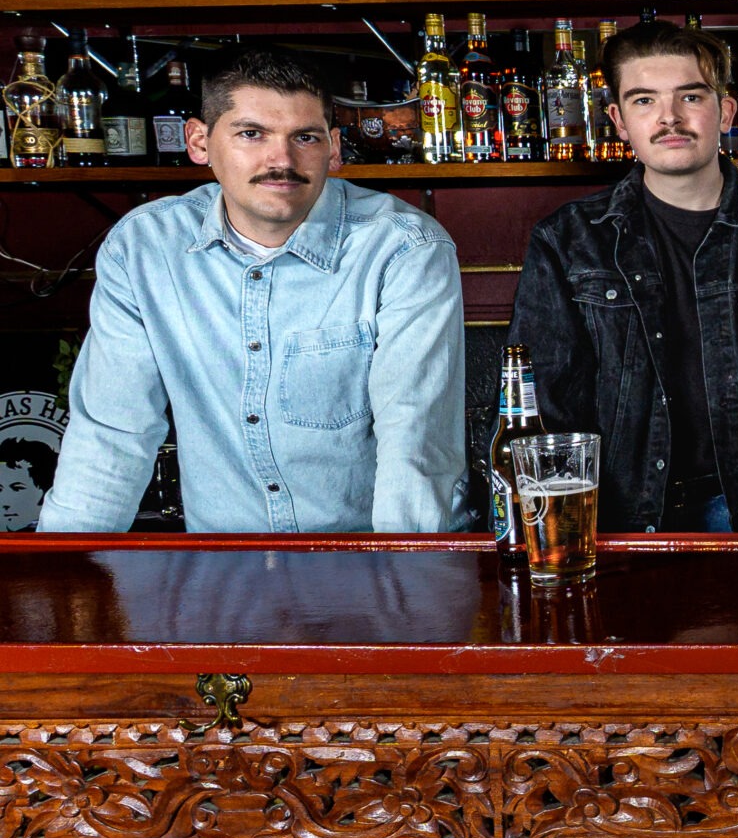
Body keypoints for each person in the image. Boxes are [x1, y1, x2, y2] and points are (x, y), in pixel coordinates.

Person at [36, 45, 465, 533]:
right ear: (199, 142)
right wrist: (66, 589)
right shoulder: (144, 248)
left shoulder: (404, 248)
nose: (281, 159)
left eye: (305, 136)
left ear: (335, 148)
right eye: (251, 134)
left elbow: (415, 442)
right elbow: (111, 437)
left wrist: (403, 596)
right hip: (223, 573)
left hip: (364, 563)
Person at [508, 22, 738, 533]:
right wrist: (542, 531)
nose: (669, 119)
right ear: (618, 120)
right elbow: (543, 408)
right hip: (616, 518)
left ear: (725, 112)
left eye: (691, 97)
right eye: (644, 101)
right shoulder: (567, 242)